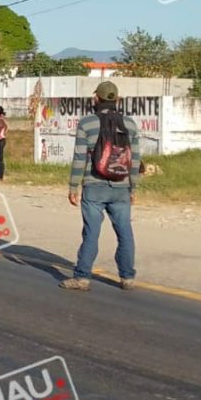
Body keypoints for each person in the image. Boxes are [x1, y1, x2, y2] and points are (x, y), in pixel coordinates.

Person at [61, 82, 141, 292]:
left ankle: (82, 278)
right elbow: (135, 160)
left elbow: (79, 157)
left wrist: (73, 186)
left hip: (94, 186)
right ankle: (127, 277)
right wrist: (133, 188)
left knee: (91, 233)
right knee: (124, 232)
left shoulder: (87, 123)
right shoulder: (130, 124)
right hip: (121, 187)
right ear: (117, 99)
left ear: (96, 99)